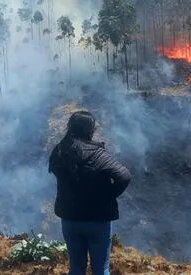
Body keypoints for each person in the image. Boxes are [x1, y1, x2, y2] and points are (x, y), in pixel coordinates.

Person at [49, 111, 131, 275]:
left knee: (76, 267)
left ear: (70, 128)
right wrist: (106, 197)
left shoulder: (60, 151)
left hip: (70, 219)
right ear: (90, 131)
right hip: (97, 220)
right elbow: (124, 176)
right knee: (101, 268)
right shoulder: (98, 154)